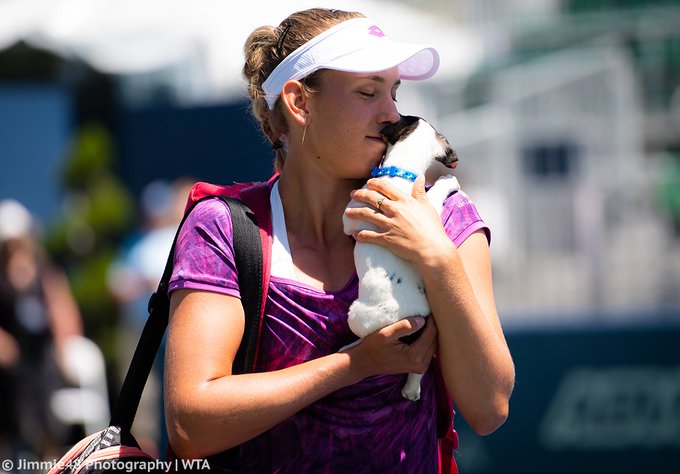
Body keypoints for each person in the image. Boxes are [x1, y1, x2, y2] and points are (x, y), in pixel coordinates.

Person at [164, 8, 515, 473]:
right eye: (368, 92)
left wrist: (436, 257)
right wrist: (355, 365)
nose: (392, 114)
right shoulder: (225, 228)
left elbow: (490, 408)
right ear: (299, 103)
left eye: (393, 92)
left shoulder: (445, 217)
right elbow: (190, 425)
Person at [0, 199, 83, 462]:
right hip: (11, 365)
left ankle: (49, 459)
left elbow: (63, 310)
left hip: (42, 358)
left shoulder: (46, 272)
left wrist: (65, 343)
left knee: (46, 409)